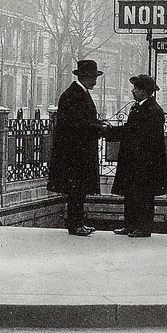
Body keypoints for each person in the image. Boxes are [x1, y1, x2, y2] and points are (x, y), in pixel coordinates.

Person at [105, 74, 167, 238]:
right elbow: (131, 129)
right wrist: (112, 130)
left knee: (144, 195)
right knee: (131, 193)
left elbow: (137, 133)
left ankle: (143, 228)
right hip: (134, 160)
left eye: (136, 89)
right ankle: (130, 225)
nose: (133, 91)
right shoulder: (138, 107)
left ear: (144, 91)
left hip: (146, 162)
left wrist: (110, 131)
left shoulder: (154, 110)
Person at [47, 59, 104, 236]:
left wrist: (96, 124)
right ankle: (75, 225)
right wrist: (98, 128)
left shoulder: (80, 93)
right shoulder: (73, 95)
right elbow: (76, 124)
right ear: (84, 77)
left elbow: (82, 121)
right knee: (76, 190)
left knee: (79, 190)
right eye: (93, 77)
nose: (95, 81)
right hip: (74, 153)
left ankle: (78, 222)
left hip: (79, 151)